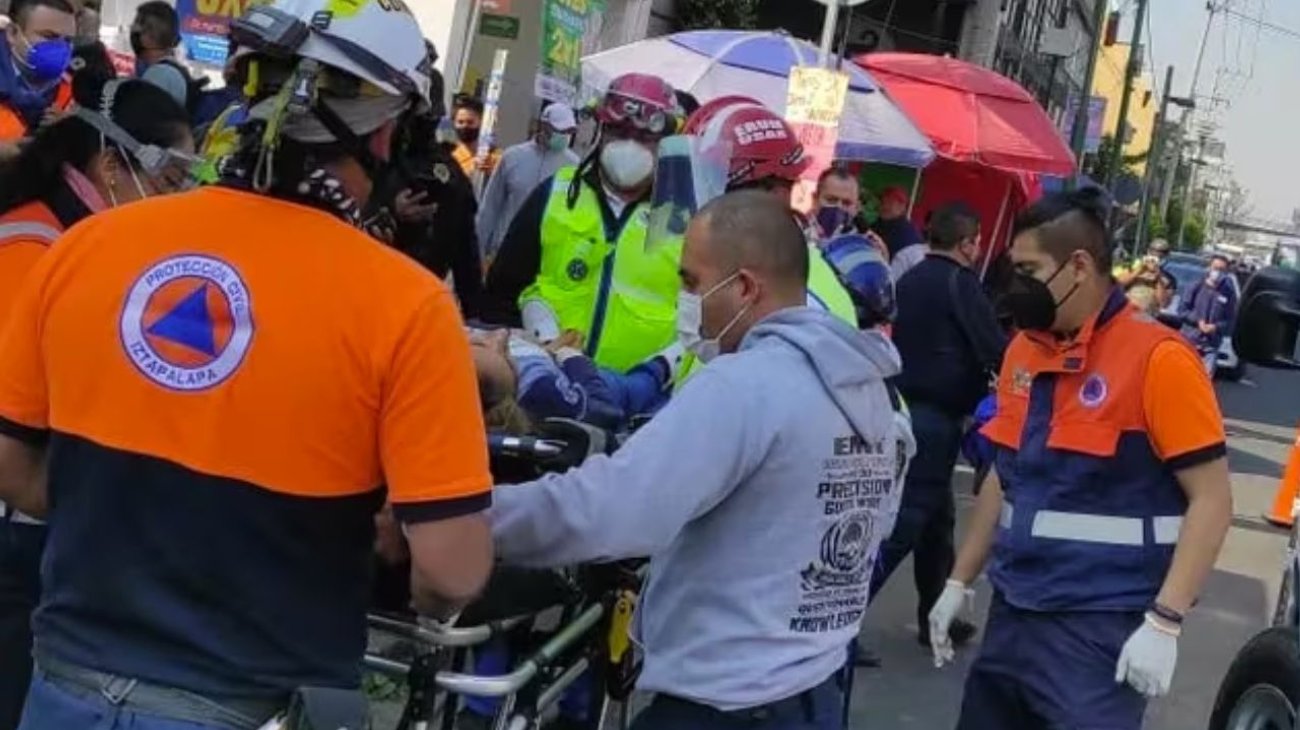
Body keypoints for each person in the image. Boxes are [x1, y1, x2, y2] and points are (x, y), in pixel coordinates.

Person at [0, 1, 494, 727]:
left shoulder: (88, 246)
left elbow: (13, 466)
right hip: (250, 704)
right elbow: (452, 570)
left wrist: (132, 519)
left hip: (62, 691)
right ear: (387, 133)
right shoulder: (408, 306)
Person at [489, 190, 915, 730]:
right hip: (814, 689)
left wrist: (466, 517)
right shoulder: (868, 388)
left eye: (691, 282)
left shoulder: (745, 385)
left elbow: (612, 511)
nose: (684, 300)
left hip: (724, 703)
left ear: (744, 287)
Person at [930, 190, 1233, 729]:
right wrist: (959, 580)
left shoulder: (1159, 359)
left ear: (1078, 267)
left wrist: (1166, 619)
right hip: (1014, 610)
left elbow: (1212, 500)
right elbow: (1004, 473)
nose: (1016, 285)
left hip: (1099, 626)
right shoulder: (1026, 350)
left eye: (1028, 271)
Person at [0, 76, 191, 730]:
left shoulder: (71, 235)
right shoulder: (36, 244)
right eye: (170, 178)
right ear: (111, 167)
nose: (177, 199)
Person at [866, 202, 1006, 661]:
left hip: (901, 406)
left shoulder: (909, 278)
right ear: (967, 244)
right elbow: (994, 348)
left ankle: (935, 614)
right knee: (907, 521)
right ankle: (842, 617)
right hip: (935, 418)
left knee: (935, 524)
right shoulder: (960, 284)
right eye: (977, 242)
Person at [482, 72, 681, 372]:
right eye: (618, 132)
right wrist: (529, 362)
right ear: (601, 131)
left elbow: (701, 325)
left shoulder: (682, 218)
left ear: (665, 143)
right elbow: (501, 297)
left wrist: (657, 378)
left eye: (643, 138)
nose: (629, 146)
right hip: (548, 379)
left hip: (642, 393)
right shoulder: (556, 195)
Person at [679, 98, 857, 327]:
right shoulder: (749, 266)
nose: (700, 209)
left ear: (773, 196)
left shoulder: (799, 303)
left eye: (712, 193)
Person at [476, 102, 579, 261]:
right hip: (504, 249)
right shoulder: (513, 156)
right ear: (544, 126)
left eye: (568, 132)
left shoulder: (574, 166)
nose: (565, 136)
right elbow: (491, 205)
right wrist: (478, 250)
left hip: (544, 255)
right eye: (560, 131)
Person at [0, 0, 75, 147]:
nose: (61, 47)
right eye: (49, 36)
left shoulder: (74, 91)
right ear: (12, 33)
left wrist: (69, 131)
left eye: (67, 40)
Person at [129, 1, 200, 112]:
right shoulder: (169, 71)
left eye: (135, 26)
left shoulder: (159, 75)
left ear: (149, 38)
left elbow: (141, 117)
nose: (131, 30)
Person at [1179, 254, 1236, 375]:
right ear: (1209, 268)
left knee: (1204, 381)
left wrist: (1216, 327)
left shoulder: (1229, 293)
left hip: (1211, 346)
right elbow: (1182, 311)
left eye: (1222, 270)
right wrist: (1198, 321)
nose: (1218, 272)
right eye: (1215, 268)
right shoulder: (1195, 286)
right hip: (1189, 341)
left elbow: (1230, 321)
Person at [872, 185, 926, 280]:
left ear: (902, 207)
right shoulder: (877, 225)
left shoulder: (907, 232)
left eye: (890, 203)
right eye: (882, 201)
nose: (884, 206)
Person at [451, 92, 500, 178]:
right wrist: (472, 169)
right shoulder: (450, 158)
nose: (465, 126)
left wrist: (492, 173)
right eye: (460, 122)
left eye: (470, 122)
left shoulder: (496, 158)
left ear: (481, 123)